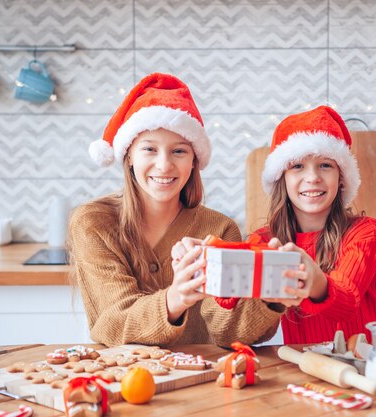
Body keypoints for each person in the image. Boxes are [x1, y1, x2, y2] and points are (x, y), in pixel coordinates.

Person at [68, 73, 284, 347]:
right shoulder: (93, 223)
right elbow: (113, 323)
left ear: (194, 160)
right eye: (149, 149)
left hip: (201, 383)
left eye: (179, 151)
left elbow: (227, 332)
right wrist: (177, 297)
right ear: (129, 157)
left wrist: (268, 293)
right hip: (123, 383)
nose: (164, 165)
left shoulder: (219, 229)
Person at [250, 105, 376, 344]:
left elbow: (347, 301)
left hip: (374, 366)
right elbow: (237, 308)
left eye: (325, 165)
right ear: (282, 177)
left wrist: (316, 280)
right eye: (298, 166)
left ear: (341, 178)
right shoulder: (265, 241)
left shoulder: (367, 233)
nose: (313, 177)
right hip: (308, 371)